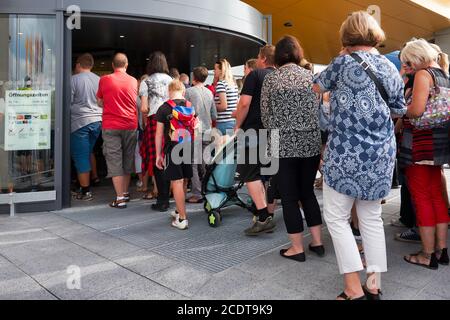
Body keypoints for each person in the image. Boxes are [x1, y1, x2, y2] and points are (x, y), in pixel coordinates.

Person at [313, 11, 406, 300]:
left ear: (346, 36)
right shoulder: (390, 67)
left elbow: (315, 86)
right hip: (379, 153)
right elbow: (400, 109)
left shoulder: (340, 64)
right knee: (372, 218)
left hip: (345, 152)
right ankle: (374, 285)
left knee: (337, 217)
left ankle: (353, 289)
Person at [261, 36, 324, 259]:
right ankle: (317, 242)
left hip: (283, 144)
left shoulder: (271, 79)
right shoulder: (311, 77)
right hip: (310, 144)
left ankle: (297, 248)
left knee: (288, 197)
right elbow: (318, 110)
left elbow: (266, 116)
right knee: (307, 193)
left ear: (278, 55)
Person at [399, 39, 450, 269]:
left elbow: (417, 110)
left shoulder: (423, 74)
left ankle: (427, 254)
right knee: (436, 195)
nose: (408, 66)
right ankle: (441, 250)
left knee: (421, 196)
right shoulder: (443, 73)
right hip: (439, 143)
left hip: (420, 143)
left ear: (417, 56)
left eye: (408, 61)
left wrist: (400, 109)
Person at [234, 44, 277, 235]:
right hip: (274, 132)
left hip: (254, 130)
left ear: (264, 59)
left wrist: (237, 126)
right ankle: (268, 213)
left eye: (259, 57)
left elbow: (244, 103)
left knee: (250, 173)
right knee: (266, 174)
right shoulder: (280, 77)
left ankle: (262, 217)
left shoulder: (255, 75)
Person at [97, 53, 138, 209]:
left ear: (113, 66)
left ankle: (120, 198)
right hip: (130, 125)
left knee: (115, 160)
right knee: (128, 159)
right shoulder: (134, 81)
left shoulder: (105, 80)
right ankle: (125, 192)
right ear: (126, 65)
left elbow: (100, 101)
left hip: (111, 125)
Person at [155, 80, 195, 230]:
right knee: (183, 180)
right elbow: (196, 128)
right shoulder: (190, 106)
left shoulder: (164, 108)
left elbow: (158, 134)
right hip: (188, 146)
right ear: (183, 91)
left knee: (176, 182)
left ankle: (182, 219)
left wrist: (159, 154)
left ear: (169, 92)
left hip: (173, 147)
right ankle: (179, 210)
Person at [140, 51, 173, 212]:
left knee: (157, 159)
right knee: (169, 158)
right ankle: (169, 196)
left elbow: (144, 108)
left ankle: (162, 199)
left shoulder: (146, 81)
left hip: (154, 122)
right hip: (171, 122)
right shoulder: (171, 80)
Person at [70, 53, 102, 201]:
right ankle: (83, 182)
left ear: (78, 64)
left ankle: (85, 191)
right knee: (88, 152)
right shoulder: (99, 80)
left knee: (80, 156)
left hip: (79, 122)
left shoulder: (73, 80)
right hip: (97, 122)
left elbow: (68, 102)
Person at [185, 67, 217, 203]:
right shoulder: (209, 92)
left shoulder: (189, 92)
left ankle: (197, 193)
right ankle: (207, 189)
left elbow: (185, 112)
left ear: (194, 77)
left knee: (193, 161)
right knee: (205, 161)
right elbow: (214, 114)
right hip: (208, 129)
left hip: (195, 129)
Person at [214, 59, 239, 135]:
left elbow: (223, 106)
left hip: (223, 123)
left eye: (215, 69)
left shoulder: (221, 84)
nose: (214, 71)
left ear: (221, 71)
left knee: (220, 146)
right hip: (233, 121)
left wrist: (212, 105)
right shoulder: (233, 84)